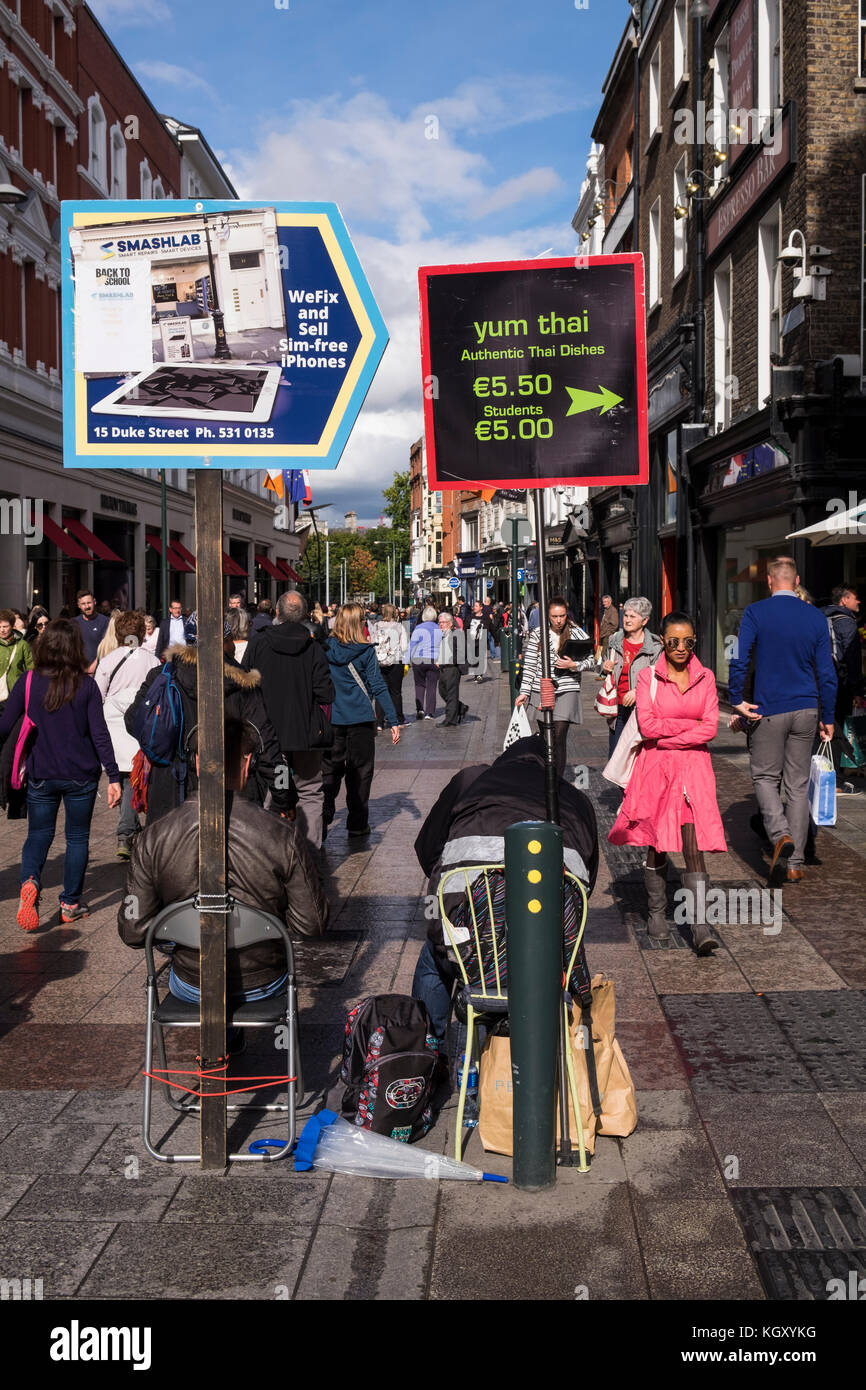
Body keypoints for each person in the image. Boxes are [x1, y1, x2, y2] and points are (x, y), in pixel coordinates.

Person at [118, 717, 328, 1005]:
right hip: (262, 980)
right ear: (248, 763)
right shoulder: (282, 835)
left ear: (196, 762)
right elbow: (311, 924)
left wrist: (179, 929)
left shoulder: (153, 837)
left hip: (192, 982)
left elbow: (133, 930)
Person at [411, 735, 599, 1048]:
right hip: (550, 959)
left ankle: (427, 1050)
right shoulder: (572, 797)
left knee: (434, 955)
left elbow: (427, 849)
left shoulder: (471, 780)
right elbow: (584, 887)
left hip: (468, 950)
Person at [608, 612, 726, 955]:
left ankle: (700, 925)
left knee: (694, 844)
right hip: (656, 769)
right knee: (657, 841)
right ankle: (657, 913)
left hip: (694, 771)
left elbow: (711, 728)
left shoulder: (705, 678)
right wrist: (687, 733)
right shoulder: (647, 678)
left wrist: (670, 732)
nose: (680, 648)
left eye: (687, 641)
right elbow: (648, 723)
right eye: (673, 641)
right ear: (663, 640)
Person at [0, 618, 121, 929]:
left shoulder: (28, 681)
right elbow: (100, 734)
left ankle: (30, 881)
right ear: (74, 649)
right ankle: (69, 903)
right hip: (81, 774)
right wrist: (115, 777)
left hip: (42, 773)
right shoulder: (86, 685)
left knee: (38, 835)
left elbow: (3, 727)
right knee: (77, 837)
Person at [729, 555, 837, 884]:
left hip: (768, 707)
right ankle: (796, 863)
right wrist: (828, 715)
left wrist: (736, 699)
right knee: (798, 785)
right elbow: (827, 672)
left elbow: (738, 657)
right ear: (797, 579)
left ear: (770, 581)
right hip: (807, 708)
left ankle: (780, 837)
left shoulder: (756, 612)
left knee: (764, 777)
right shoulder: (816, 617)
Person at [125, 626, 286, 824]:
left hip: (170, 799)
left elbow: (133, 720)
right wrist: (285, 794)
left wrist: (172, 749)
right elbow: (270, 747)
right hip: (231, 802)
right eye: (230, 640)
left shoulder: (162, 675)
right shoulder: (244, 685)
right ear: (225, 642)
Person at [242, 590, 335, 850]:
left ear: (277, 613)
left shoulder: (259, 643)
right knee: (310, 792)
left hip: (272, 739)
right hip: (305, 736)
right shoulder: (313, 646)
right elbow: (326, 692)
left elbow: (246, 685)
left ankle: (273, 851)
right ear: (304, 615)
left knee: (277, 789)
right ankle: (309, 851)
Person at [321, 603, 400, 839]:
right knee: (360, 773)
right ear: (359, 623)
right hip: (361, 719)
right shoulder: (365, 651)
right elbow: (377, 685)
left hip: (332, 719)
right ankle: (357, 823)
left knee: (329, 773)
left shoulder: (324, 649)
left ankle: (324, 817)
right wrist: (393, 719)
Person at [94, 610, 161, 858]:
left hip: (113, 724)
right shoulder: (152, 661)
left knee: (124, 777)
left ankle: (126, 831)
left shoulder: (108, 661)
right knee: (136, 775)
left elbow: (97, 696)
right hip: (139, 723)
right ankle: (129, 831)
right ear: (141, 633)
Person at [515, 597, 596, 780]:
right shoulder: (538, 634)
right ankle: (545, 774)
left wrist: (573, 665)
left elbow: (592, 660)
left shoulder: (576, 633)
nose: (559, 620)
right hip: (541, 689)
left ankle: (556, 780)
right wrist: (524, 692)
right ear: (547, 616)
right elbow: (529, 665)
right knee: (545, 736)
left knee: (559, 735)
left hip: (567, 689)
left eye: (562, 616)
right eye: (554, 616)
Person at [601, 597, 662, 756]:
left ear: (644, 620)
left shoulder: (655, 647)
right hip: (618, 709)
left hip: (642, 710)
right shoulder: (615, 640)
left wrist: (637, 691)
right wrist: (605, 667)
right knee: (616, 757)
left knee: (640, 757)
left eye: (632, 616)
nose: (627, 620)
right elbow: (606, 666)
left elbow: (659, 679)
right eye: (626, 615)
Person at [374, 602, 409, 728]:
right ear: (395, 613)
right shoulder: (399, 627)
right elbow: (404, 647)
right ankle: (398, 719)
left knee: (381, 691)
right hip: (395, 661)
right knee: (395, 692)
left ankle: (379, 722)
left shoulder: (376, 626)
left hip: (380, 662)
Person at [435, 611, 468, 726]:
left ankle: (450, 719)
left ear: (450, 623)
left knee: (451, 693)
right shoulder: (443, 634)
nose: (441, 625)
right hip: (443, 668)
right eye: (439, 623)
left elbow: (461, 653)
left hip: (452, 668)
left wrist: (447, 661)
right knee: (442, 691)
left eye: (443, 622)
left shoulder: (457, 633)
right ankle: (461, 707)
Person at [409, 604, 441, 720]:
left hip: (419, 659)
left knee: (419, 684)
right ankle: (430, 712)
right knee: (432, 686)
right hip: (433, 659)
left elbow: (412, 645)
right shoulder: (438, 628)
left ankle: (420, 709)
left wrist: (408, 659)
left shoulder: (418, 628)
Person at [0, 608, 35, 713]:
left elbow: (31, 669)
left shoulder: (22, 645)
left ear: (12, 626)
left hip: (16, 695)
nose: (2, 630)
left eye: (5, 627)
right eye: (0, 626)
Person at [74, 590, 109, 674]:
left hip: (99, 671)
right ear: (79, 605)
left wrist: (93, 667)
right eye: (83, 604)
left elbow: (107, 647)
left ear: (94, 602)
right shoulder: (73, 623)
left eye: (89, 603)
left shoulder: (105, 622)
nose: (87, 606)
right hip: (78, 672)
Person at [466, 602, 489, 683]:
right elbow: (465, 628)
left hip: (482, 640)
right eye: (474, 606)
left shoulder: (485, 617)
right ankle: (476, 674)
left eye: (476, 606)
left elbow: (491, 627)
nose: (474, 607)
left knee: (481, 658)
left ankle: (479, 675)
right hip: (472, 641)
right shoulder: (470, 617)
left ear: (481, 607)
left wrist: (497, 638)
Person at [598, 594, 619, 662]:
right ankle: (598, 664)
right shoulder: (606, 610)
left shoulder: (613, 611)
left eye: (605, 602)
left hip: (607, 635)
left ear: (610, 601)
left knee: (604, 652)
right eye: (603, 602)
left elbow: (615, 625)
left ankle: (603, 666)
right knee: (600, 650)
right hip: (602, 634)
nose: (603, 603)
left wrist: (608, 633)